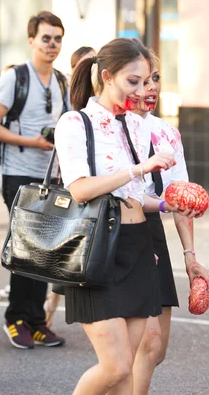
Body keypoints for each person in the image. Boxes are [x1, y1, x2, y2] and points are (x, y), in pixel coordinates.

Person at [55, 37, 176, 395]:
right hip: (96, 249)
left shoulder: (138, 126)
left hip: (138, 247)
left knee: (127, 374)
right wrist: (140, 168)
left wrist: (170, 204)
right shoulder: (75, 122)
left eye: (147, 80)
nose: (142, 91)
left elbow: (135, 197)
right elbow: (78, 189)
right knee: (116, 366)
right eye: (132, 81)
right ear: (106, 77)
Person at [131, 54, 209, 394]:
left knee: (156, 351)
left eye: (155, 79)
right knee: (143, 346)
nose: (150, 87)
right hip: (114, 233)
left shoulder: (166, 132)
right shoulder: (105, 127)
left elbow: (178, 198)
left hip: (151, 236)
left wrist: (190, 256)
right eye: (139, 80)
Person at [0, 11, 67, 350]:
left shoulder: (62, 80)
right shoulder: (15, 78)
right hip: (19, 172)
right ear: (31, 40)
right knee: (27, 247)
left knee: (45, 249)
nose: (52, 44)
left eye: (58, 38)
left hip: (53, 174)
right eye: (46, 38)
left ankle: (35, 321)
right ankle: (15, 318)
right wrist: (33, 141)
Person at [44, 44, 97, 327]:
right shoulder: (73, 108)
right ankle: (49, 309)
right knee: (69, 245)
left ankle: (52, 308)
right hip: (72, 182)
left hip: (86, 181)